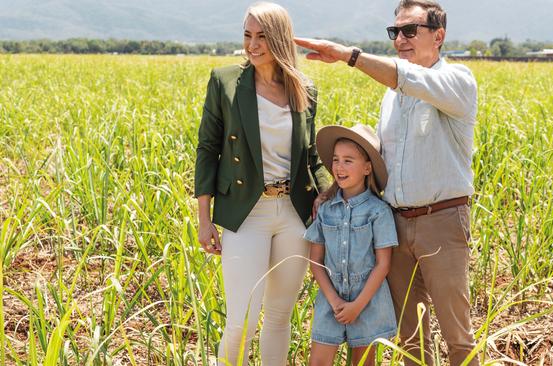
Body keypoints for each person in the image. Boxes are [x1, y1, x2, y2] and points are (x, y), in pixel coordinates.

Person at [295, 1, 479, 365]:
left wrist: (348, 56)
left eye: (410, 31)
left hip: (441, 222)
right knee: (410, 334)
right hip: (395, 224)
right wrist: (333, 191)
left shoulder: (457, 80)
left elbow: (409, 78)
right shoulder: (391, 98)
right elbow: (378, 162)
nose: (400, 39)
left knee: (457, 334)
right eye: (395, 32)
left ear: (438, 36)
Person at [194, 2, 330, 365]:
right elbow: (207, 149)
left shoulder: (304, 89)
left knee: (280, 316)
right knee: (242, 319)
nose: (252, 45)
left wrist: (330, 191)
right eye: (247, 35)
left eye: (262, 37)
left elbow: (311, 156)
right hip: (245, 211)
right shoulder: (225, 82)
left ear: (280, 39)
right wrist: (204, 219)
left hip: (294, 213)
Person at [305, 124, 398, 366]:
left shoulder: (378, 211)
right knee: (318, 362)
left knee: (363, 363)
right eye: (336, 160)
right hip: (330, 298)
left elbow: (383, 264)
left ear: (368, 168)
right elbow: (315, 262)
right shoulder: (326, 210)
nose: (339, 167)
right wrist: (335, 301)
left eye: (348, 160)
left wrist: (357, 305)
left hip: (367, 300)